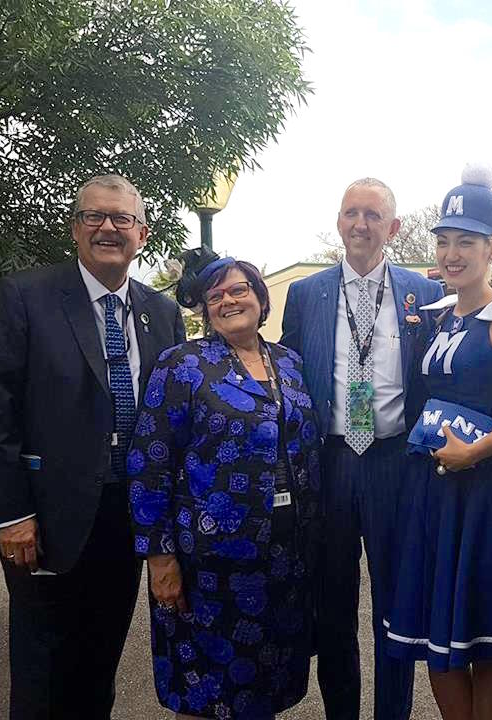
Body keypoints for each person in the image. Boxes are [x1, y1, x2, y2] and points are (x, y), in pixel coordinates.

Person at [0, 174, 186, 719]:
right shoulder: (26, 296)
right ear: (75, 229)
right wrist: (10, 513)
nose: (108, 228)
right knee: (43, 671)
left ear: (142, 234)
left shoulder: (160, 314)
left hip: (125, 517)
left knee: (99, 662)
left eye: (122, 219)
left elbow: (172, 417)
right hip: (43, 519)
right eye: (95, 216)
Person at [384, 165, 492, 720]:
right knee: (437, 634)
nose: (453, 253)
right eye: (445, 240)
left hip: (484, 489)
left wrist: (472, 453)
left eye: (467, 241)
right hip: (430, 489)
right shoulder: (434, 315)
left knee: (485, 642)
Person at [128, 252, 322, 719]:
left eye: (239, 290)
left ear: (260, 298)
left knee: (263, 685)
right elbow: (149, 462)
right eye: (216, 296)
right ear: (204, 310)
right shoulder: (183, 364)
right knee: (204, 692)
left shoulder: (289, 363)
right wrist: (159, 556)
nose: (229, 300)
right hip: (208, 561)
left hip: (283, 554)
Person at [279, 177, 444, 720]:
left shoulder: (423, 292)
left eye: (373, 215)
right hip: (330, 463)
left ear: (393, 228)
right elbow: (293, 379)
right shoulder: (306, 293)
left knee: (396, 607)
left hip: (394, 460)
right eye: (351, 213)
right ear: (338, 222)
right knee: (333, 605)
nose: (360, 224)